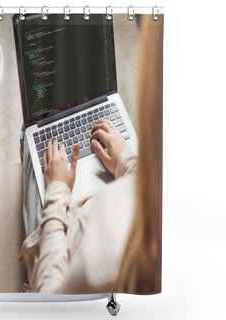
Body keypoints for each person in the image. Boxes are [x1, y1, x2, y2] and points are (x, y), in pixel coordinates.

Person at [19, 18, 162, 295]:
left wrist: (57, 190)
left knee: (30, 136)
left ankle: (27, 140)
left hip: (65, 234)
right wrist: (128, 164)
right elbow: (150, 196)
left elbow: (49, 297)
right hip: (110, 192)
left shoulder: (101, 266)